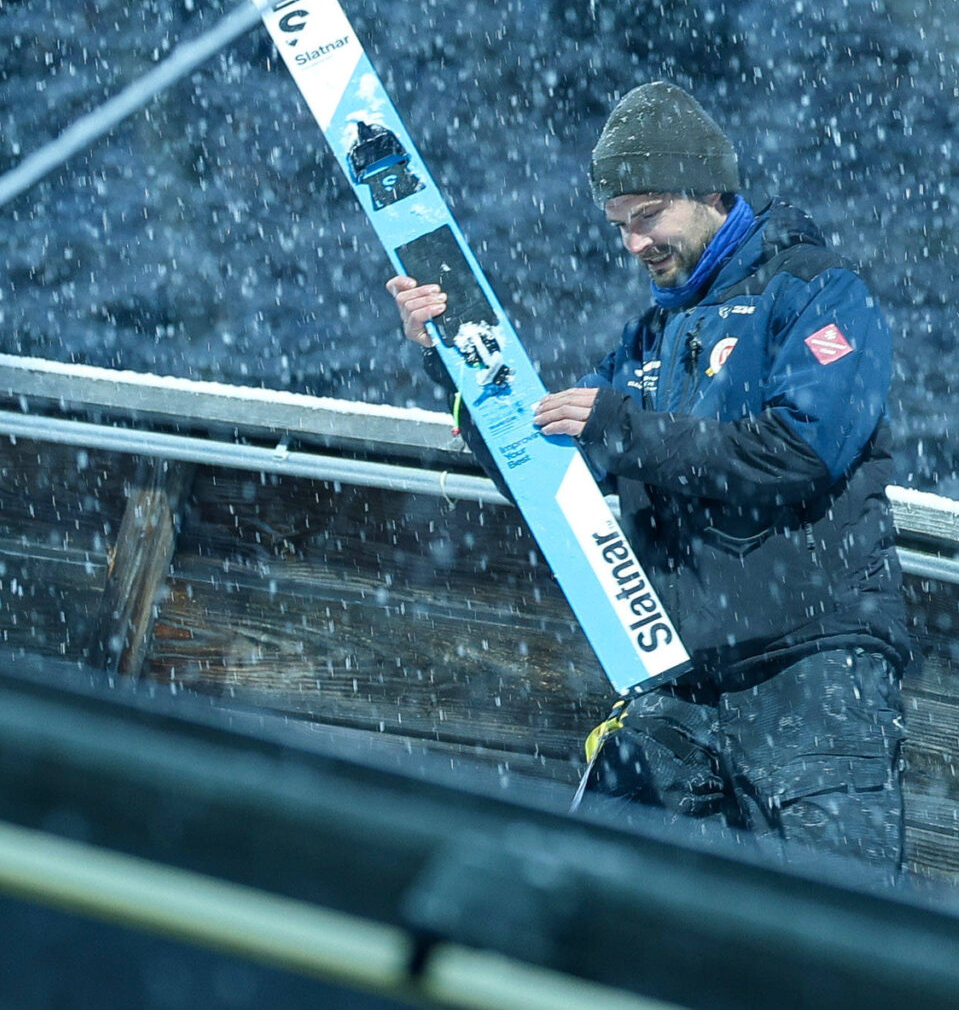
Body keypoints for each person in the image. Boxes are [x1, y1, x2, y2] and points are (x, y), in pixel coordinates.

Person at [386, 81, 909, 870]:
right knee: (595, 908)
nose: (634, 242)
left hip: (814, 672)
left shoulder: (816, 292)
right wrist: (449, 364)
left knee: (838, 947)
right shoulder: (647, 344)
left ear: (709, 190)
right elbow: (550, 473)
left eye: (649, 213)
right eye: (620, 224)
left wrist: (623, 428)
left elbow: (800, 454)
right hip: (674, 683)